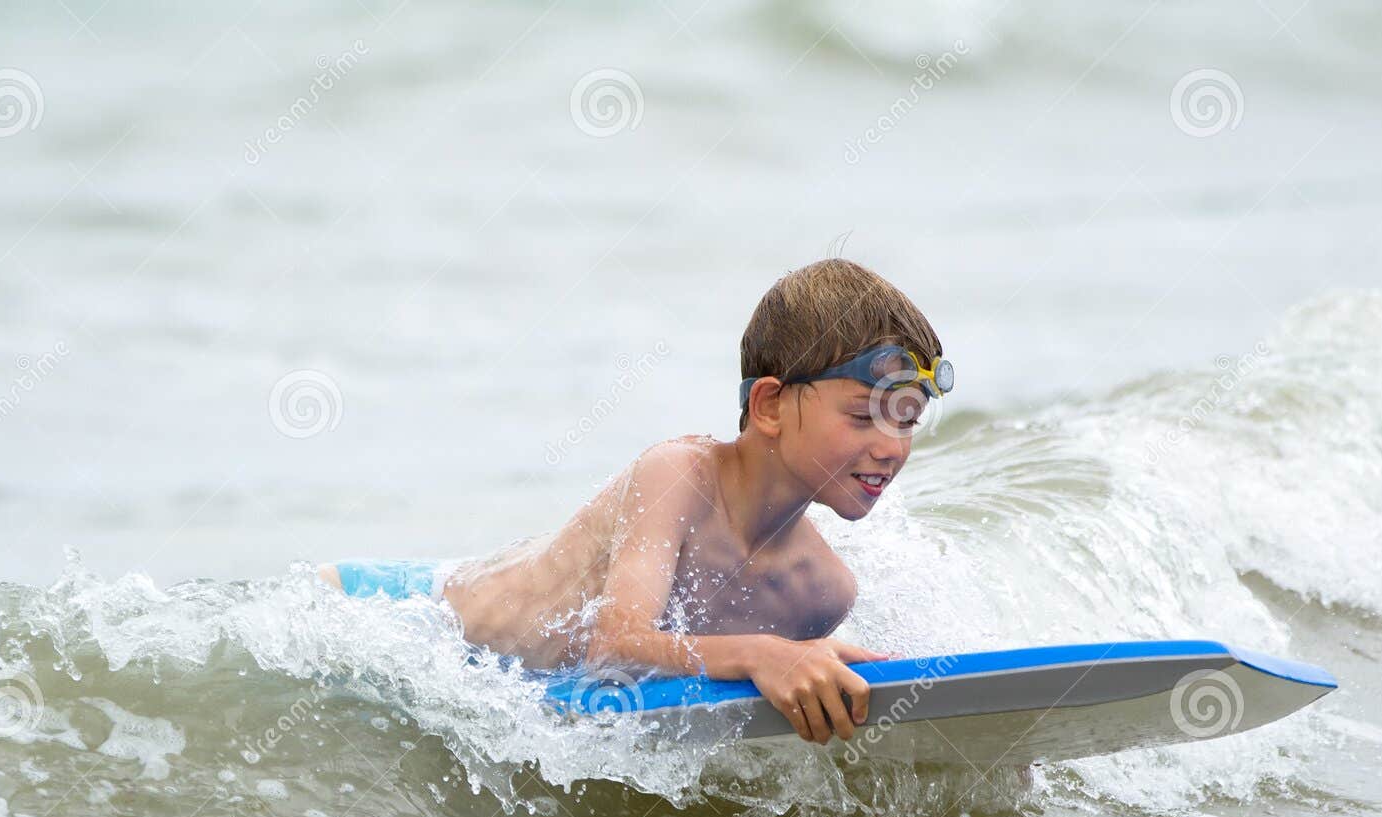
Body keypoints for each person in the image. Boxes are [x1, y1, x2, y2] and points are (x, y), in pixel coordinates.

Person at [318, 258, 952, 744]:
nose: (891, 446)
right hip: (410, 615)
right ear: (767, 406)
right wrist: (767, 655)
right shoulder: (678, 475)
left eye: (907, 421)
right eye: (864, 415)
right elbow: (615, 647)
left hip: (522, 669)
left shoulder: (823, 590)